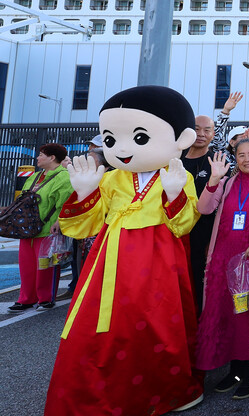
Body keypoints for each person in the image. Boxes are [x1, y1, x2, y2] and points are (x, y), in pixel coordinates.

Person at [47, 85, 204, 415]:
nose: (121, 149)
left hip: (159, 258)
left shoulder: (177, 174)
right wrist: (84, 194)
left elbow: (183, 225)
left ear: (183, 138)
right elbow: (83, 227)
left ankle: (167, 391)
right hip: (110, 259)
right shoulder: (111, 178)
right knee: (98, 328)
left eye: (140, 138)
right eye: (110, 139)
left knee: (158, 323)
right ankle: (96, 395)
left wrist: (175, 195)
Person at [195, 142, 249, 400]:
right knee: (227, 315)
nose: (247, 159)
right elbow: (204, 209)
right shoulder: (227, 183)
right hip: (223, 259)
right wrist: (213, 180)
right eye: (241, 155)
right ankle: (236, 370)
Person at [8, 143, 72, 313]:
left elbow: (66, 203)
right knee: (26, 265)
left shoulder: (64, 177)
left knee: (46, 266)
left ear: (52, 158)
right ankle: (26, 299)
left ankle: (45, 298)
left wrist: (59, 221)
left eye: (41, 154)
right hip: (26, 228)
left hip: (47, 229)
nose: (38, 157)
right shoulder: (34, 177)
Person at [182, 114, 218, 312]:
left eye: (207, 130)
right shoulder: (173, 159)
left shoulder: (216, 162)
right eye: (196, 129)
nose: (201, 134)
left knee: (197, 286)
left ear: (213, 134)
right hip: (173, 233)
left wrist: (212, 241)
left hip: (202, 235)